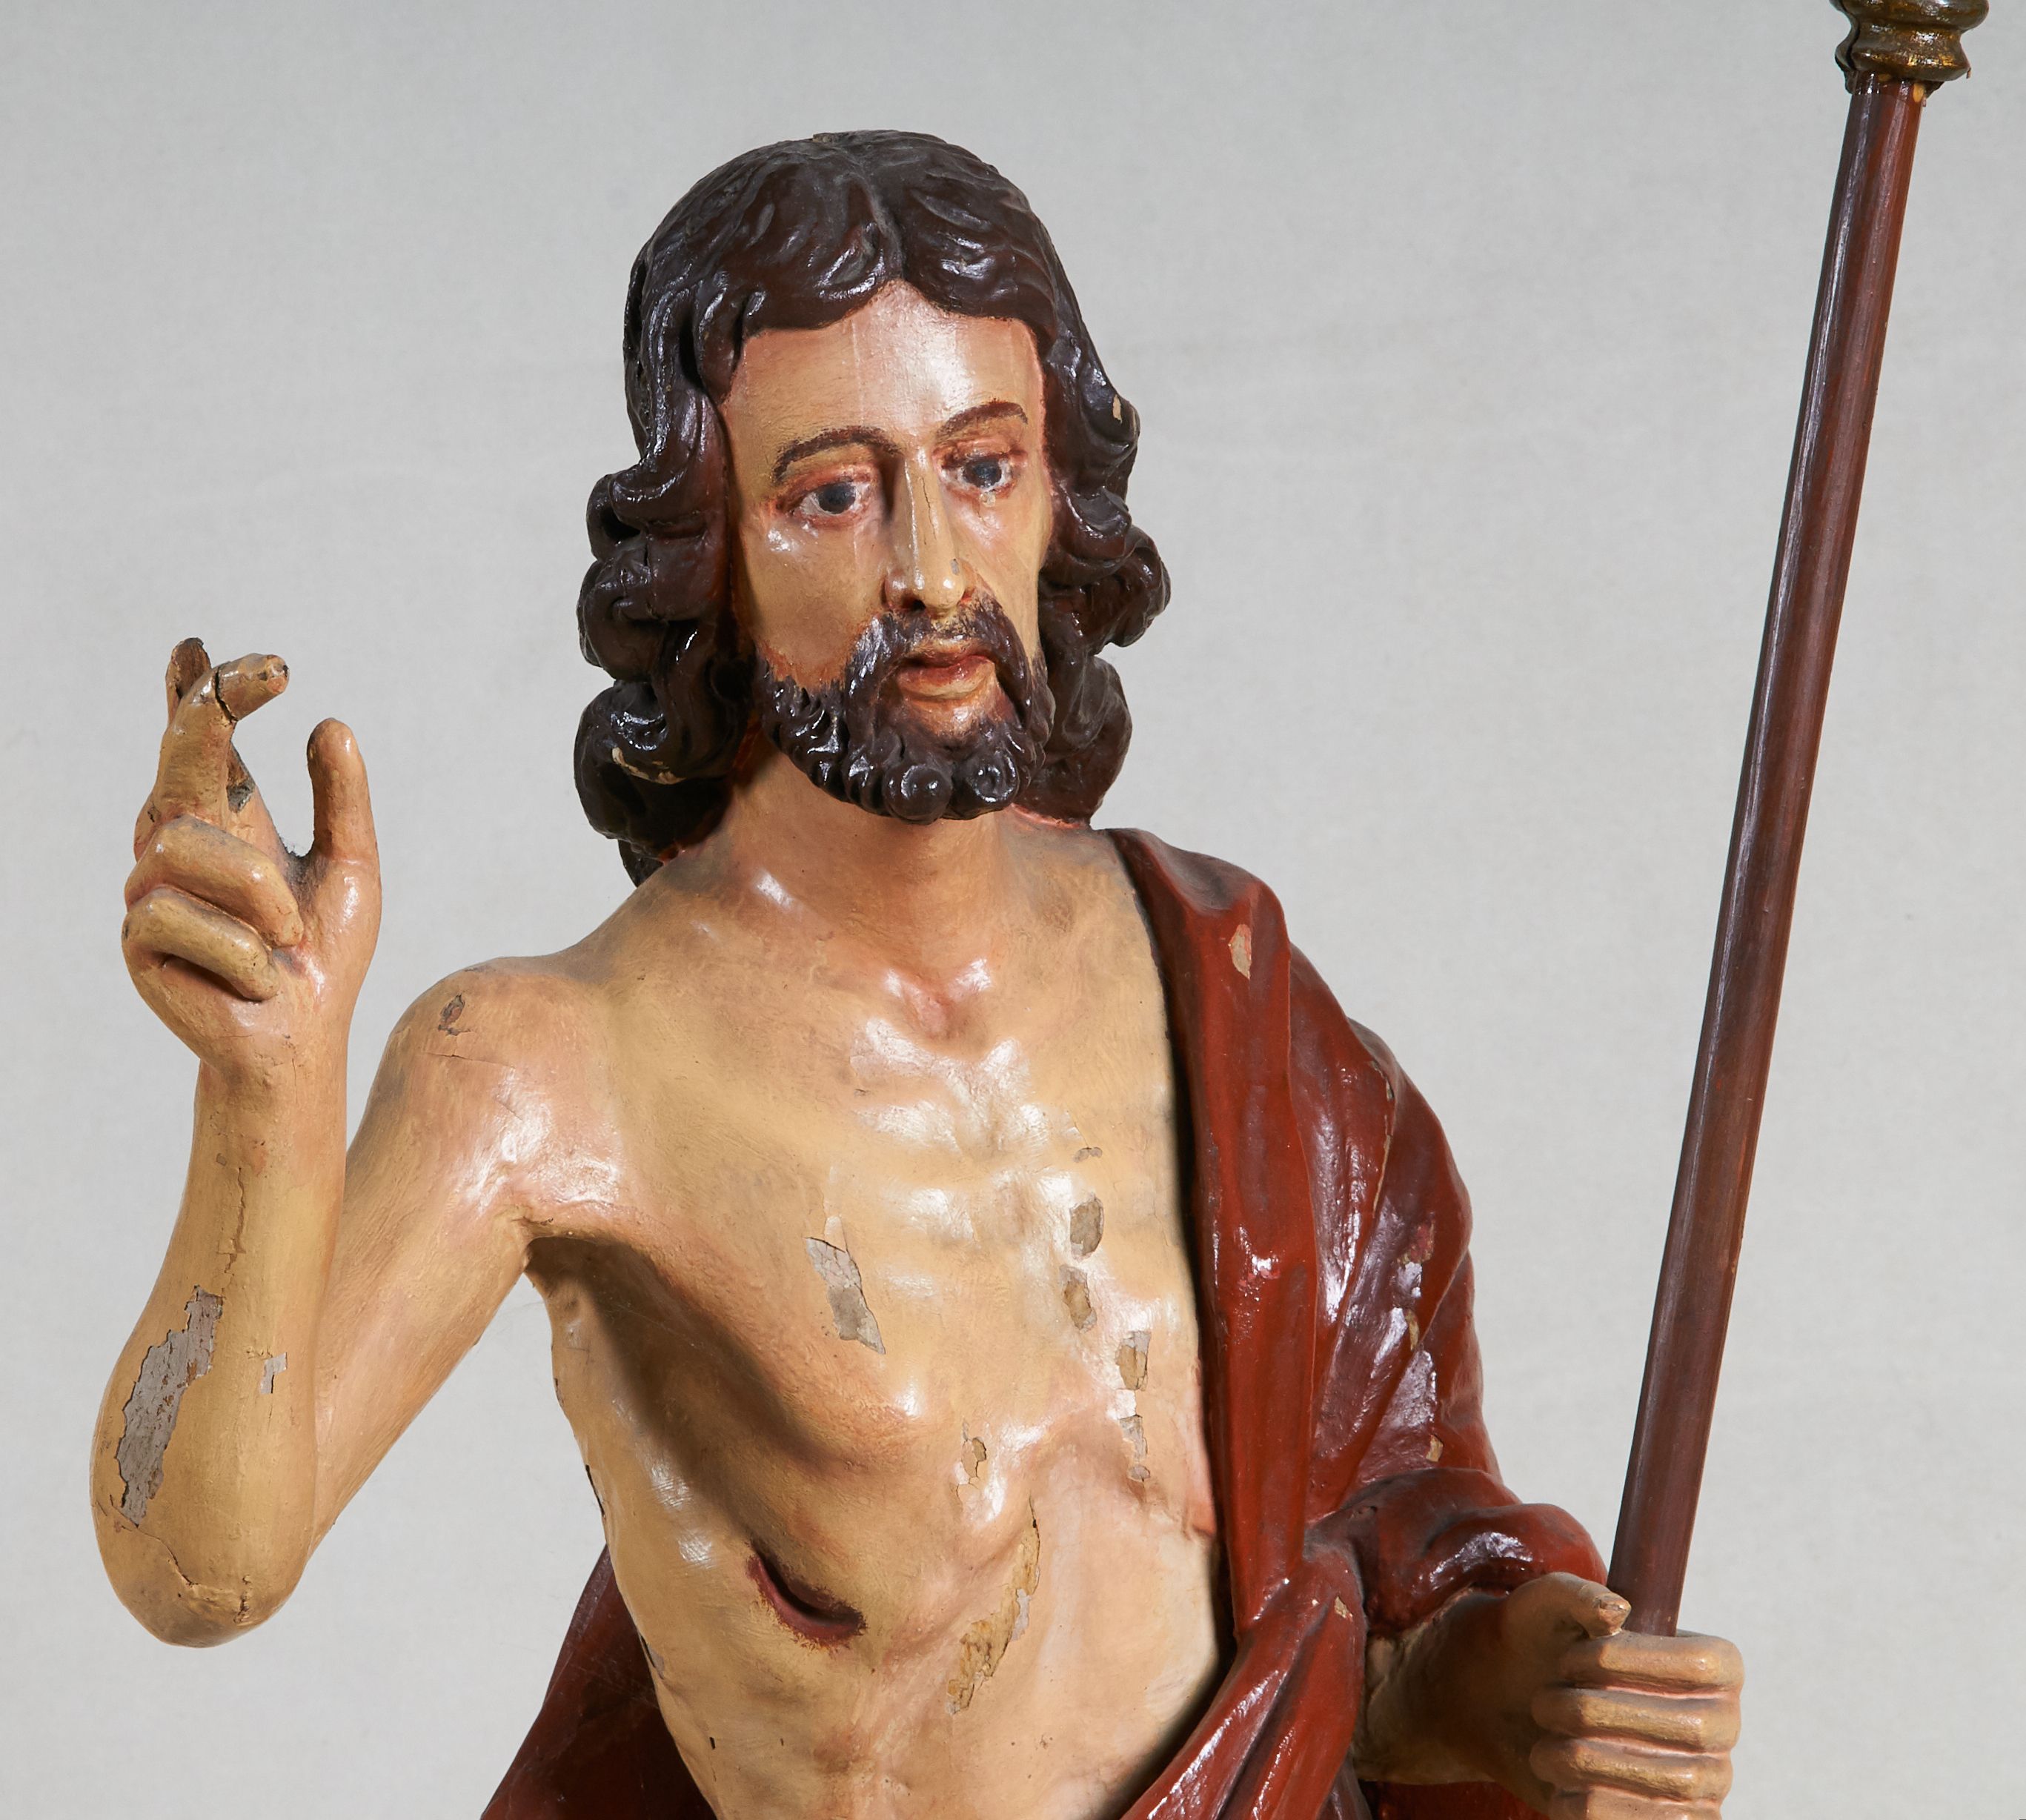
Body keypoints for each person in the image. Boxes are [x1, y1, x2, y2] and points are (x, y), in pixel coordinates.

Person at [96, 132, 1741, 1819]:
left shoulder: (1225, 988)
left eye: (982, 467)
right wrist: (263, 1090)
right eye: (833, 493)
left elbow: (1366, 1615)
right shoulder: (548, 1071)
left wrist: (1537, 1693)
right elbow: (201, 1567)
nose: (937, 575)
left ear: (1058, 495)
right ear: (709, 549)